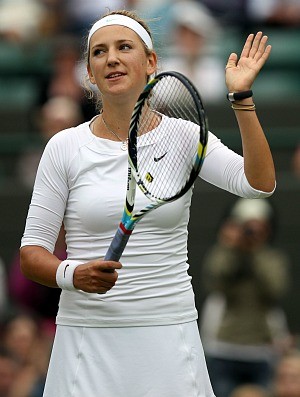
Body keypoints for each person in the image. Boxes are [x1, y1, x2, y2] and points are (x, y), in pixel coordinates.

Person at [19, 9, 276, 397]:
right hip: (88, 339)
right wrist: (73, 275)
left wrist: (241, 98)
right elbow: (31, 254)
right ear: (90, 72)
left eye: (125, 47)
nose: (112, 59)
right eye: (100, 52)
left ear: (150, 62)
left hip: (169, 334)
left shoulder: (187, 137)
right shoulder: (64, 147)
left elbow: (259, 184)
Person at [200, 198, 291, 397]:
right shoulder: (223, 254)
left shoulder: (272, 259)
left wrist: (256, 250)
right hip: (223, 348)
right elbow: (215, 281)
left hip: (262, 348)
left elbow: (276, 289)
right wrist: (230, 247)